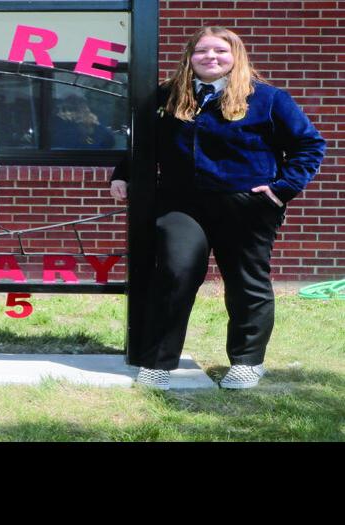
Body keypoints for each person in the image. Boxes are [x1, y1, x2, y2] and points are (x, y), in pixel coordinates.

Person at [111, 26, 325, 390]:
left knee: (245, 282)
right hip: (182, 204)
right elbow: (142, 140)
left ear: (235, 56)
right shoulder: (168, 97)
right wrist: (123, 173)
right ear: (189, 57)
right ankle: (159, 362)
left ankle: (247, 362)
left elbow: (309, 145)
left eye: (220, 52)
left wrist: (282, 189)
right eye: (202, 51)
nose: (211, 57)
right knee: (176, 274)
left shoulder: (269, 99)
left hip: (246, 205)